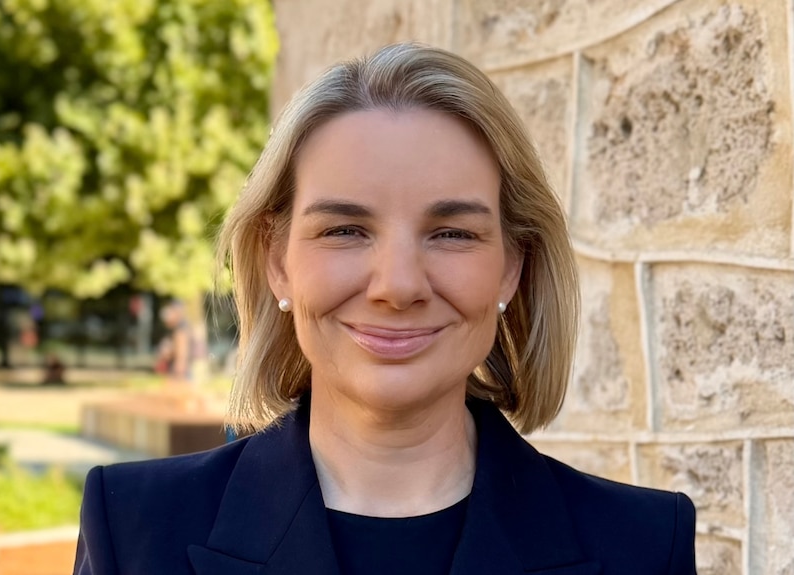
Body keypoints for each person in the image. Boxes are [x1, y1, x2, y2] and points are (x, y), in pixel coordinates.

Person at [74, 43, 696, 574]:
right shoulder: (132, 529)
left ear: (512, 265)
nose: (397, 287)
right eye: (345, 230)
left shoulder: (642, 545)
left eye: (452, 233)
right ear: (277, 260)